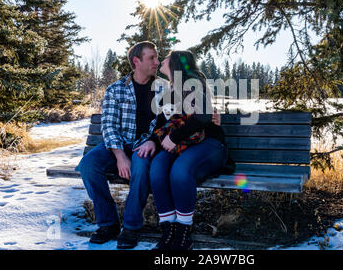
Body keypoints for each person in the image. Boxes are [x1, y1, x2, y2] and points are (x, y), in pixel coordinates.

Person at [75, 41, 166, 249]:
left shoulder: (164, 88)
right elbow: (108, 126)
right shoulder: (116, 89)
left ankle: (132, 227)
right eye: (151, 57)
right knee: (88, 165)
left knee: (141, 168)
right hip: (118, 144)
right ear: (137, 61)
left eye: (157, 57)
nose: (157, 61)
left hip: (145, 145)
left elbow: (172, 121)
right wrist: (119, 156)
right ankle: (108, 223)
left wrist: (153, 140)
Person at [143, 50, 230, 250]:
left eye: (165, 58)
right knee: (157, 169)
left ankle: (183, 233)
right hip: (185, 144)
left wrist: (173, 137)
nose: (161, 60)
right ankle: (169, 231)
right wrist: (152, 141)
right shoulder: (170, 91)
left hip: (209, 144)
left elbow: (204, 116)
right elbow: (160, 123)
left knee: (181, 170)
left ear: (174, 63)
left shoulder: (193, 82)